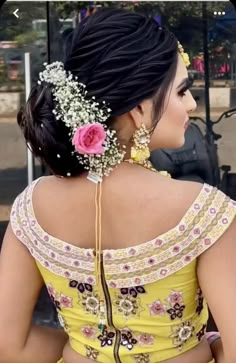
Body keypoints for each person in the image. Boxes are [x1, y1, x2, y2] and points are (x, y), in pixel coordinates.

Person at [0, 8, 235, 363]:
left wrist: (80, 349)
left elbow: (10, 346)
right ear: (139, 110)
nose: (191, 104)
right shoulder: (205, 212)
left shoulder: (31, 207)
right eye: (182, 91)